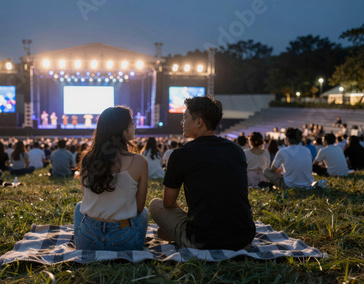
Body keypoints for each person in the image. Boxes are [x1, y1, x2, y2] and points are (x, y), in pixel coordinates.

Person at [149, 96, 255, 251]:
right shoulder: (236, 150)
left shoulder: (180, 154)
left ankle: (178, 233)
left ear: (199, 122)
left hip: (202, 241)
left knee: (155, 204)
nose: (182, 123)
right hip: (243, 240)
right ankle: (177, 231)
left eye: (185, 118)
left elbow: (168, 203)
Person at [74, 106, 149, 251]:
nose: (135, 126)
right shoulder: (139, 161)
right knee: (144, 212)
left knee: (79, 207)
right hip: (124, 241)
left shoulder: (86, 160)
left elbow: (87, 199)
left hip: (87, 241)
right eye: (132, 122)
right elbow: (139, 208)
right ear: (123, 129)